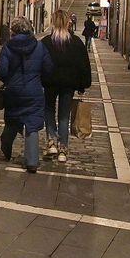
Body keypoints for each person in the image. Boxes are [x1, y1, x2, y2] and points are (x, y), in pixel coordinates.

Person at [0, 16, 53, 173]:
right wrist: (40, 80)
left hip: (13, 91)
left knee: (12, 119)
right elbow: (48, 68)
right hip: (34, 91)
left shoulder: (8, 47)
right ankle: (32, 162)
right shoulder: (39, 47)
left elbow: (2, 70)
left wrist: (8, 80)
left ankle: (6, 147)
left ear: (13, 31)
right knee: (32, 125)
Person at [42, 10, 92, 163]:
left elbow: (39, 63)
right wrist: (83, 85)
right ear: (67, 23)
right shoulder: (76, 42)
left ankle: (51, 142)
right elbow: (84, 65)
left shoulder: (46, 42)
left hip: (50, 83)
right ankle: (63, 149)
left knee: (49, 110)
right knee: (64, 116)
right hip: (68, 85)